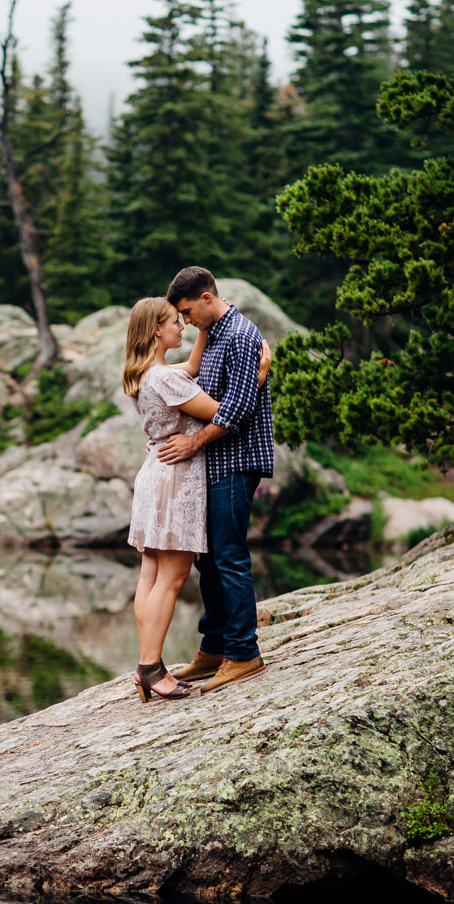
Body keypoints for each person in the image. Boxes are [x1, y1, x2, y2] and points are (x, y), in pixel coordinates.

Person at [121, 296, 269, 703]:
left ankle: (146, 665)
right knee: (171, 579)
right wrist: (258, 374)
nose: (181, 327)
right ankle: (150, 668)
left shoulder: (146, 373)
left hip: (154, 475)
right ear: (155, 329)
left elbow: (189, 369)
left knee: (150, 574)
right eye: (175, 321)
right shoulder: (165, 379)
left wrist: (203, 330)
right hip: (176, 481)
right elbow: (223, 411)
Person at [158, 266, 274, 693]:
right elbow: (207, 393)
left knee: (228, 555)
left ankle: (244, 653)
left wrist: (191, 445)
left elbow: (239, 408)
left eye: (188, 312)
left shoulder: (242, 335)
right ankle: (214, 646)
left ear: (207, 298)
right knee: (207, 557)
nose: (186, 322)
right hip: (214, 463)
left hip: (236, 461)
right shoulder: (216, 335)